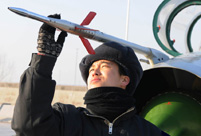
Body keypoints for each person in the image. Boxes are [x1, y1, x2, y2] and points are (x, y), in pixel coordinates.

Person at [11, 14, 169, 136]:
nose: (94, 71)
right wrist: (43, 60)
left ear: (124, 79)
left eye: (104, 65)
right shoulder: (69, 120)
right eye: (92, 68)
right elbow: (29, 125)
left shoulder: (146, 131)